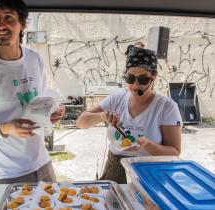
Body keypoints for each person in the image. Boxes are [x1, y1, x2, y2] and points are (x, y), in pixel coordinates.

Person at [0, 0, 65, 184]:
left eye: (8, 17)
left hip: (42, 162)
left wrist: (53, 110)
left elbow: (39, 98)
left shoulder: (34, 58)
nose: (0, 24)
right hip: (6, 173)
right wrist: (4, 128)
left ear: (22, 23)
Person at [76, 46, 182, 183]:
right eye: (130, 78)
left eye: (143, 80)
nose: (135, 85)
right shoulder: (116, 98)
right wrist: (102, 116)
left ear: (154, 77)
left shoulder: (166, 107)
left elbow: (174, 152)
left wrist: (148, 145)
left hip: (151, 173)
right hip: (116, 169)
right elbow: (81, 122)